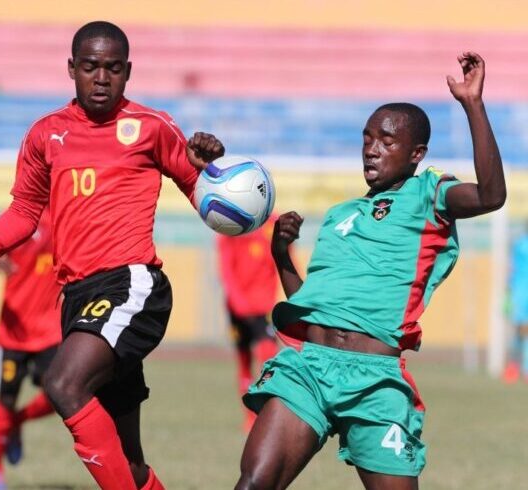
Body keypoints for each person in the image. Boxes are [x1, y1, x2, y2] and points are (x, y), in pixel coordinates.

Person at [0, 21, 224, 490]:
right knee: (129, 463)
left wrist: (214, 166)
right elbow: (24, 209)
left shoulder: (152, 127)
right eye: (91, 67)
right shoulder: (46, 135)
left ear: (128, 72)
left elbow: (209, 197)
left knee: (63, 384)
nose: (102, 78)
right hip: (78, 297)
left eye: (113, 69)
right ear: (71, 69)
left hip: (131, 286)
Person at [236, 52, 505, 490]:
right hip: (310, 369)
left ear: (416, 153)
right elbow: (311, 304)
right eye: (366, 137)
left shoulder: (429, 195)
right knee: (253, 483)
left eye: (386, 139)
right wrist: (282, 254)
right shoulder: (341, 216)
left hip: (373, 380)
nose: (371, 147)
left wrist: (473, 104)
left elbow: (492, 195)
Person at [0, 209, 61, 490]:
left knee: (61, 396)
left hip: (51, 331)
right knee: (5, 399)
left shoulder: (66, 217)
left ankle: (17, 421)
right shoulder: (18, 219)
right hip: (12, 335)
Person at [217, 215, 280, 431]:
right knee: (244, 360)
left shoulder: (274, 222)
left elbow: (285, 257)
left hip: (264, 308)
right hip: (238, 308)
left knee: (268, 357)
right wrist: (237, 302)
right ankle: (249, 417)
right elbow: (226, 268)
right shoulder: (230, 221)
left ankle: (267, 411)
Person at [504, 229, 528, 382]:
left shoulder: (518, 244)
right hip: (521, 290)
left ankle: (514, 367)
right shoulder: (520, 245)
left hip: (518, 290)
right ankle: (521, 368)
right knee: (522, 330)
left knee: (519, 331)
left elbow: (511, 268)